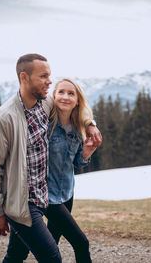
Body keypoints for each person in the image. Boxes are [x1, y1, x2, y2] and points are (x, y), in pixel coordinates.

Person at [0, 53, 102, 263]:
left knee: (17, 254)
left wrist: (90, 124)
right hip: (23, 202)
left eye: (50, 75)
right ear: (24, 77)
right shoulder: (4, 118)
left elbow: (73, 106)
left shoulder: (44, 104)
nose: (50, 81)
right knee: (52, 257)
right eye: (44, 76)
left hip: (45, 196)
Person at [45, 78, 97, 263]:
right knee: (81, 243)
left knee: (52, 245)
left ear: (77, 100)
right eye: (61, 92)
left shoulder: (77, 127)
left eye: (71, 93)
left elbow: (77, 164)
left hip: (67, 193)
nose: (65, 97)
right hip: (48, 197)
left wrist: (86, 153)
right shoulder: (46, 125)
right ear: (54, 96)